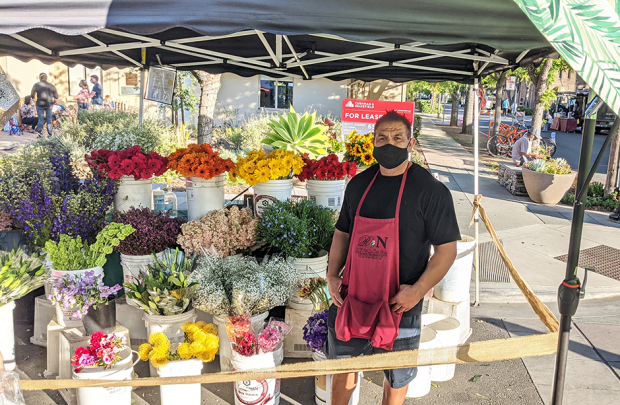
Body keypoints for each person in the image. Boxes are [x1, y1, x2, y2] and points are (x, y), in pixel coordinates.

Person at [326, 111, 460, 405]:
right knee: (344, 368)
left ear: (410, 143)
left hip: (401, 302)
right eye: (382, 138)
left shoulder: (431, 191)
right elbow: (342, 234)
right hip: (353, 297)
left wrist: (417, 292)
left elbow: (447, 250)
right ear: (372, 142)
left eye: (397, 138)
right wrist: (332, 276)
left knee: (396, 375)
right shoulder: (359, 185)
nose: (389, 144)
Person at [30, 73, 58, 137]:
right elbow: (56, 96)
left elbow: (32, 94)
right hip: (49, 104)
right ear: (46, 78)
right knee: (49, 119)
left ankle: (40, 133)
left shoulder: (37, 85)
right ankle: (50, 134)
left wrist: (33, 98)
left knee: (41, 119)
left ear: (40, 78)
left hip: (40, 104)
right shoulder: (51, 86)